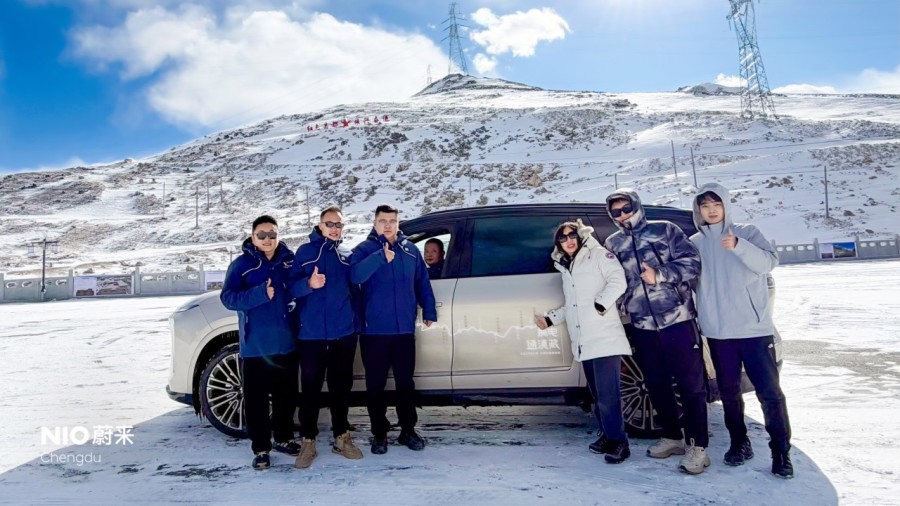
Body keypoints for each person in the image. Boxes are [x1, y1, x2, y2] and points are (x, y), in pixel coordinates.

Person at [690, 183, 793, 479]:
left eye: (716, 204)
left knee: (770, 393)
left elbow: (769, 263)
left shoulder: (746, 232)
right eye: (705, 205)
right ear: (698, 210)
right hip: (718, 333)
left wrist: (739, 246)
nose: (711, 210)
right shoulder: (695, 242)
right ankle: (739, 443)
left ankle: (781, 452)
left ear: (726, 205)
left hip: (753, 330)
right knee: (729, 393)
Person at [603, 189, 710, 475]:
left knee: (691, 386)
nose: (622, 215)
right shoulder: (613, 243)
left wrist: (659, 274)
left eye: (626, 208)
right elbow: (613, 280)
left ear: (637, 206)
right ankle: (673, 437)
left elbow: (693, 263)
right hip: (642, 325)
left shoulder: (664, 230)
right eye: (616, 212)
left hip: (678, 320)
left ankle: (698, 447)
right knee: (656, 384)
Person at [534, 219, 631, 464]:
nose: (568, 240)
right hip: (585, 341)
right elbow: (573, 306)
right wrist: (550, 319)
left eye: (572, 235)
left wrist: (601, 303)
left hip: (605, 337)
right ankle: (607, 435)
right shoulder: (568, 267)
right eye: (563, 238)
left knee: (609, 396)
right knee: (597, 395)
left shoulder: (598, 255)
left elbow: (618, 280)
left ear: (580, 236)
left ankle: (619, 443)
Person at [351, 204, 437, 454]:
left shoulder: (410, 250)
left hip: (403, 331)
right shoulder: (364, 250)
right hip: (374, 332)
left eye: (392, 221)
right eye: (383, 221)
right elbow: (354, 277)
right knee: (375, 385)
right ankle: (379, 433)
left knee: (405, 383)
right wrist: (379, 258)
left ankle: (408, 430)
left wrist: (429, 309)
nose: (388, 225)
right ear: (375, 223)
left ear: (398, 223)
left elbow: (422, 281)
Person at [220, 215, 300, 470]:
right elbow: (228, 298)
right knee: (256, 402)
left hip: (286, 343)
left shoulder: (289, 261)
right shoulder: (242, 265)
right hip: (255, 346)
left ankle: (284, 438)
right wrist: (260, 294)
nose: (268, 239)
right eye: (262, 235)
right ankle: (261, 448)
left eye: (272, 234)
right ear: (253, 237)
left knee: (286, 398)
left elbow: (297, 288)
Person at [289, 206, 364, 469]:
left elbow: (356, 291)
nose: (334, 229)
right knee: (310, 390)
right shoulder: (304, 253)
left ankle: (341, 437)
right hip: (312, 336)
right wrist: (308, 285)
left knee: (341, 389)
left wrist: (355, 323)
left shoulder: (347, 255)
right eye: (329, 224)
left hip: (343, 335)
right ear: (320, 225)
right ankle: (308, 441)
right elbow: (290, 287)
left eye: (338, 225)